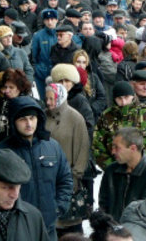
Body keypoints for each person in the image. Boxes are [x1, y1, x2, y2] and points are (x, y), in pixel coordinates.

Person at [0, 96, 73, 241]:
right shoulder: (2, 152)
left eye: (32, 118)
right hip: (16, 228)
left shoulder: (52, 146)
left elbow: (65, 179)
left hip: (48, 227)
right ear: (13, 122)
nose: (29, 123)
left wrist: (58, 207)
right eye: (23, 119)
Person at [44, 83, 90, 236]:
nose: (48, 102)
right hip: (47, 178)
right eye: (47, 98)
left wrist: (75, 177)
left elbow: (82, 149)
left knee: (69, 224)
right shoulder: (43, 116)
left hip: (68, 179)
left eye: (52, 98)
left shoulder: (75, 118)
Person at [94, 81, 146, 168]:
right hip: (117, 168)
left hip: (144, 167)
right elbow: (97, 145)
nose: (123, 102)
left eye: (126, 97)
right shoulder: (107, 116)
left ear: (133, 96)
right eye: (119, 98)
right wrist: (111, 166)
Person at [99, 127, 146, 221]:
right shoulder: (111, 171)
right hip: (112, 231)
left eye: (117, 147)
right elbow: (103, 203)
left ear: (133, 148)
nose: (113, 151)